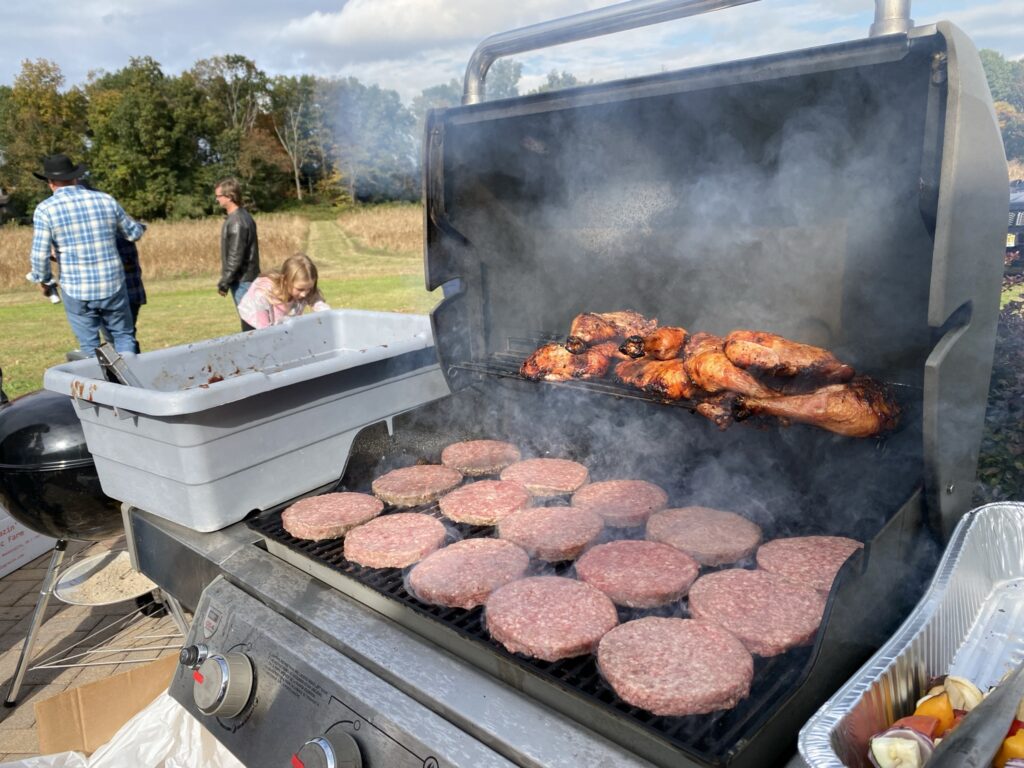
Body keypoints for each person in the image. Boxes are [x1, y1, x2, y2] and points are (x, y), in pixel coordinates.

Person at [28, 154, 144, 357]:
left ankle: (98, 384)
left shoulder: (45, 209)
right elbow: (133, 233)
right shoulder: (105, 200)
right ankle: (132, 383)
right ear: (76, 177)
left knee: (90, 346)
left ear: (50, 183)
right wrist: (142, 225)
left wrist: (45, 280)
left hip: (76, 287)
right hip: (113, 283)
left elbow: (40, 255)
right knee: (124, 337)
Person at [236, 253, 330, 329]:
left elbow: (320, 306)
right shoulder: (263, 293)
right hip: (254, 320)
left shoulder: (306, 291)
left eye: (309, 288)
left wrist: (327, 317)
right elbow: (264, 331)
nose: (304, 294)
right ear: (286, 281)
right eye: (300, 289)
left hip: (279, 319)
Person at [214, 177, 260, 331]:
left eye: (219, 196)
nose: (217, 200)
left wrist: (224, 282)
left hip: (243, 281)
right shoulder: (242, 216)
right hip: (245, 279)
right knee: (251, 320)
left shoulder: (237, 221)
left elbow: (235, 257)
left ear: (230, 196)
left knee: (250, 323)